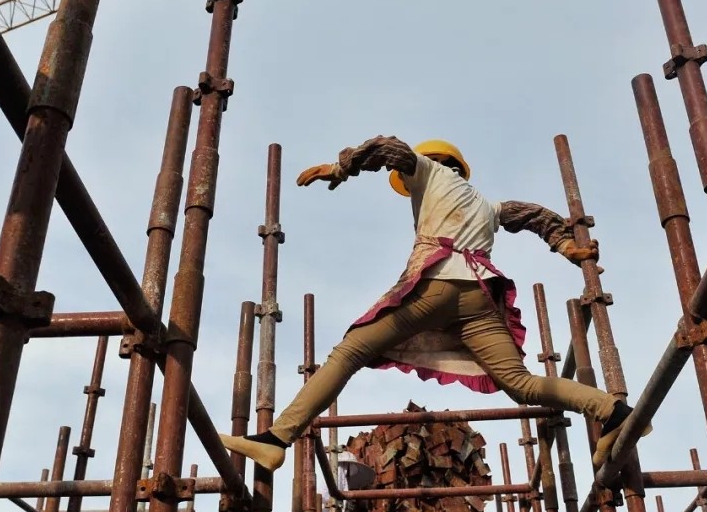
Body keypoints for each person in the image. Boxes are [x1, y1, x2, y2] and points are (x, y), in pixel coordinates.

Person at [218, 136, 650, 473]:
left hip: (439, 284)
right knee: (520, 383)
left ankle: (276, 441)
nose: (404, 186)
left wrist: (342, 168)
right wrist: (567, 247)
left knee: (350, 351)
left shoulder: (427, 171)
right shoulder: (488, 204)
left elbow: (392, 148)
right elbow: (534, 215)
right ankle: (614, 411)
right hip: (479, 296)